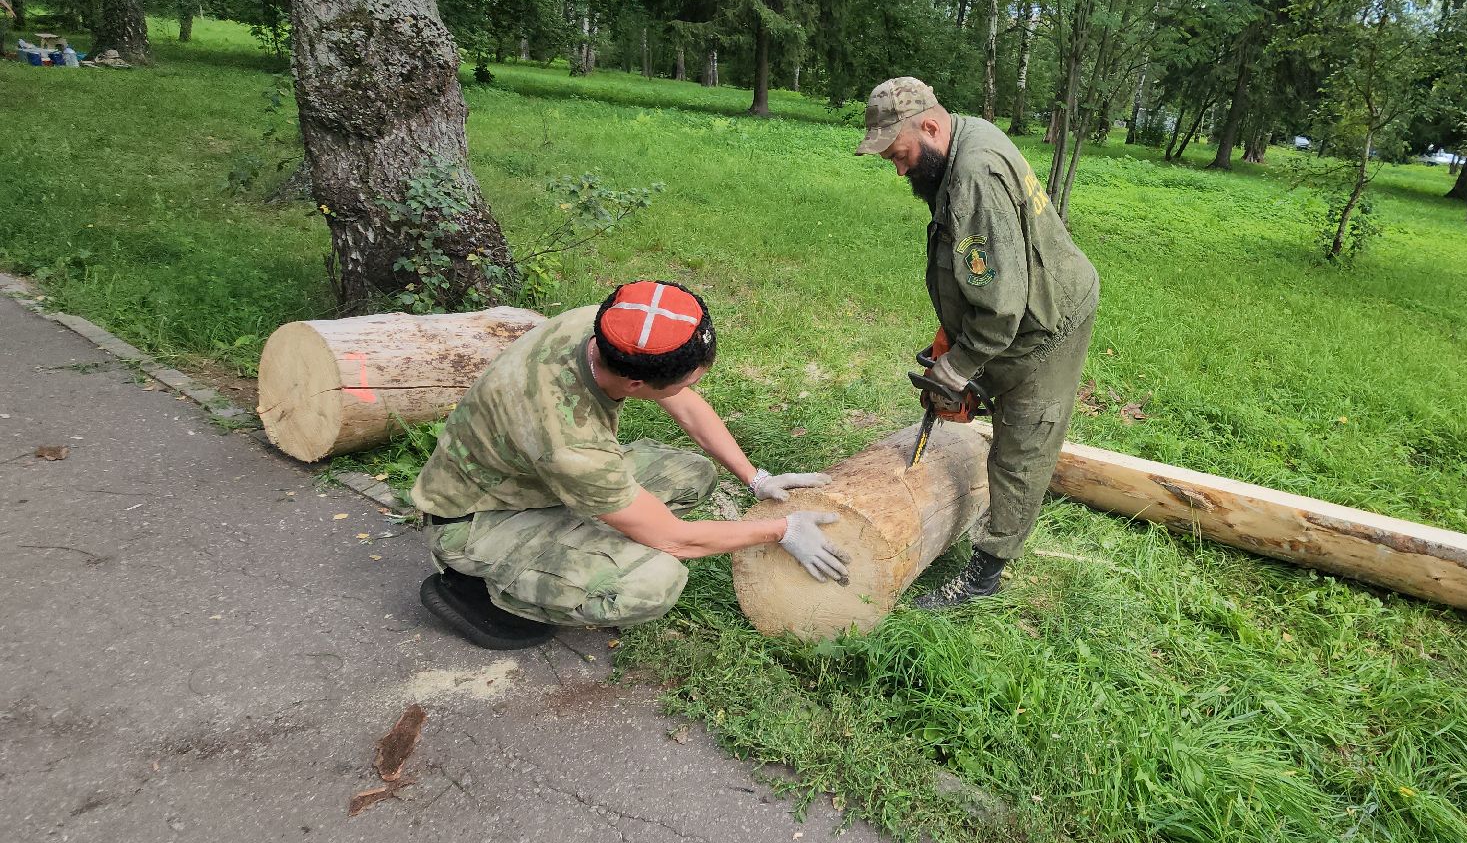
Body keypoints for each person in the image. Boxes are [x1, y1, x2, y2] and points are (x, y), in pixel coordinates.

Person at [410, 280, 850, 649]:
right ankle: (480, 593)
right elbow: (677, 540)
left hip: (538, 482)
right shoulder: (570, 440)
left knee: (691, 474)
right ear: (636, 382)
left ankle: (585, 537)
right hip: (480, 518)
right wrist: (782, 530)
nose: (695, 385)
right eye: (691, 378)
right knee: (651, 582)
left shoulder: (609, 328)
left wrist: (756, 478)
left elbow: (682, 401)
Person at [855, 77, 1100, 609]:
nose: (898, 169)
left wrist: (955, 369)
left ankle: (983, 576)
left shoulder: (974, 176)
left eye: (900, 155)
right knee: (987, 391)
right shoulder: (967, 137)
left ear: (930, 125)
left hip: (1046, 325)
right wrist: (950, 342)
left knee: (1022, 444)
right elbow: (979, 272)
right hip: (1014, 309)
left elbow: (1003, 310)